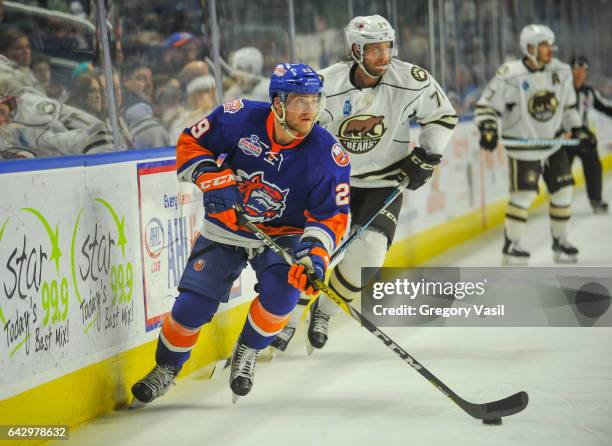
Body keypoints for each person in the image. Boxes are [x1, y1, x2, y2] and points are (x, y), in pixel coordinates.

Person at [130, 63, 350, 404]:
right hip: (227, 227)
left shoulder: (327, 155)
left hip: (282, 237)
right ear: (277, 103)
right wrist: (210, 177)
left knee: (282, 299)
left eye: (314, 101)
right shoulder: (239, 117)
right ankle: (167, 368)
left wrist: (315, 256)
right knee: (191, 308)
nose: (309, 110)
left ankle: (246, 350)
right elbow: (191, 141)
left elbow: (330, 216)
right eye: (300, 101)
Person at [271, 15, 457, 353]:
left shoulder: (412, 80)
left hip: (385, 181)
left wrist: (427, 156)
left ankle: (323, 312)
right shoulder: (326, 84)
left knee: (368, 255)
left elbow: (442, 115)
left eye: (387, 47)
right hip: (334, 180)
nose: (383, 57)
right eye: (374, 50)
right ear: (356, 50)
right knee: (314, 251)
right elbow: (300, 129)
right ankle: (286, 319)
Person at [475, 24, 588, 265]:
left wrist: (576, 127)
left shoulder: (561, 71)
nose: (550, 49)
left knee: (564, 191)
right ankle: (511, 245)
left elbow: (568, 107)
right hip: (523, 149)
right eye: (544, 45)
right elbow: (487, 105)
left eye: (550, 44)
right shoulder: (510, 74)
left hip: (554, 144)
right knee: (523, 196)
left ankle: (561, 241)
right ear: (529, 48)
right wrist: (488, 128)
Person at [568, 55, 612, 214]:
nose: (579, 73)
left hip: (584, 138)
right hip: (565, 139)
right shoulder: (562, 91)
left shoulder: (589, 92)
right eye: (576, 69)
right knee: (561, 171)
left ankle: (596, 200)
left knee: (594, 165)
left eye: (583, 70)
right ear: (570, 71)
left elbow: (605, 107)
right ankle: (559, 202)